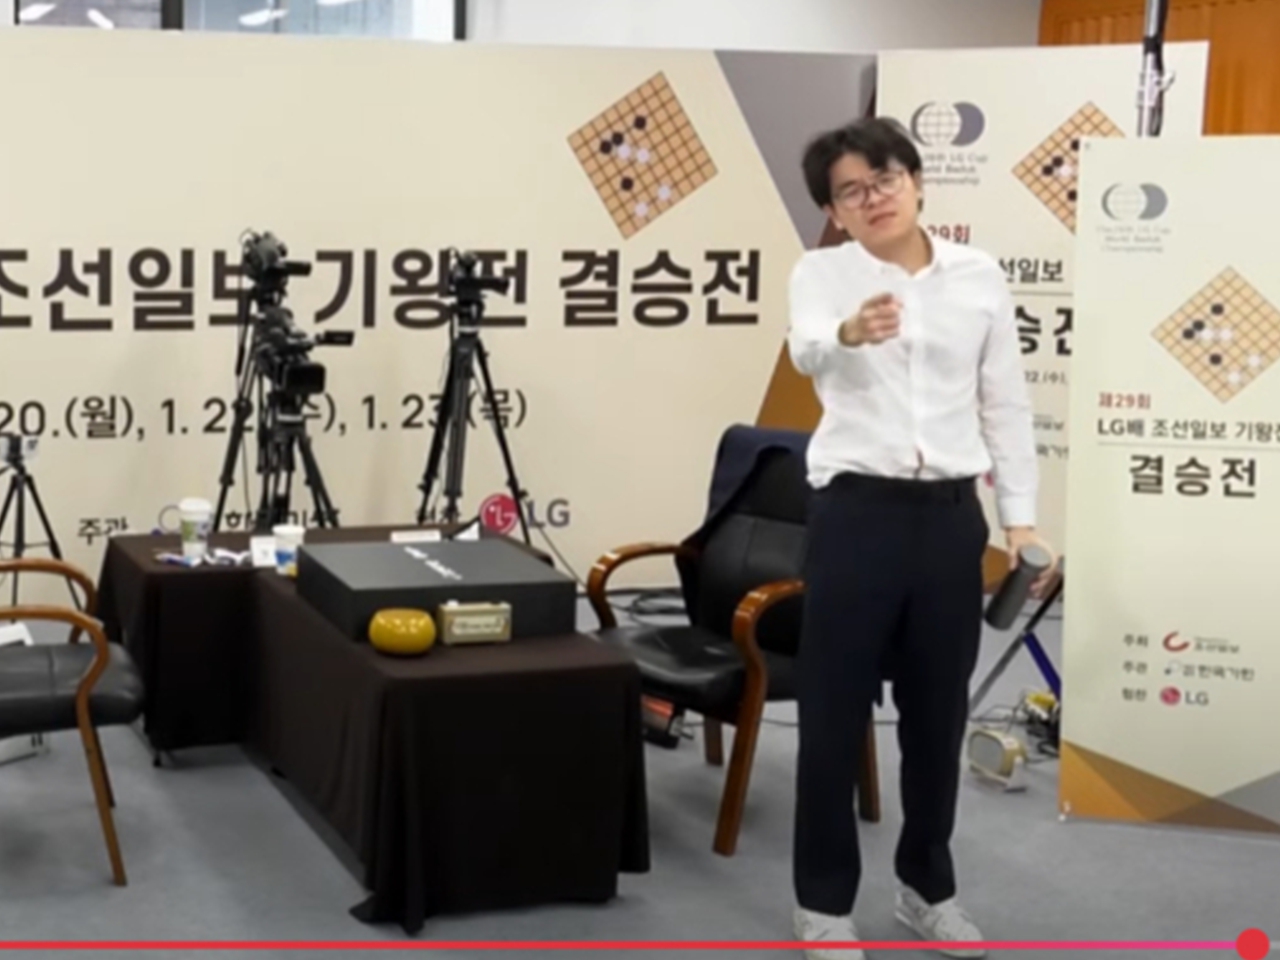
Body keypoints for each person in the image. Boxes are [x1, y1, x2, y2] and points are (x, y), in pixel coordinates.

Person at [786, 117, 1056, 960]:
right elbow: (805, 351)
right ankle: (822, 904)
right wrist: (847, 335)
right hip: (854, 514)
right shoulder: (822, 273)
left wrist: (1019, 518)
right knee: (832, 716)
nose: (872, 198)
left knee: (937, 719)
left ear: (916, 181)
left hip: (948, 520)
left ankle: (927, 889)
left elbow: (1004, 401)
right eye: (850, 191)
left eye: (885, 179)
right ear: (833, 210)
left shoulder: (978, 276)